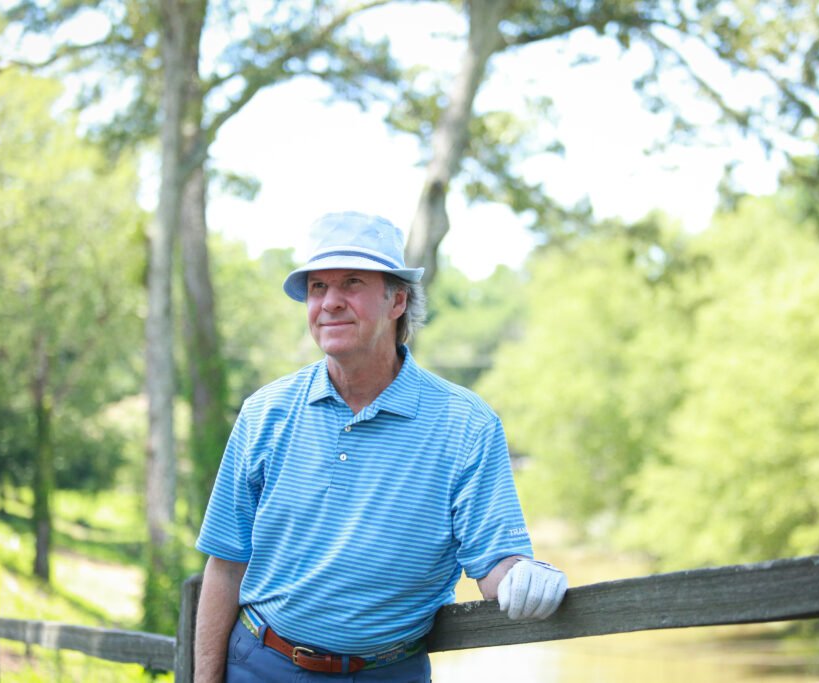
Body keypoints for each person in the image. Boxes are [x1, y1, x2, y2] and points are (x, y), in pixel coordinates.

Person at [193, 211, 568, 682]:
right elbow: (225, 565)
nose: (330, 302)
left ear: (397, 301)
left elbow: (493, 559)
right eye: (317, 288)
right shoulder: (264, 412)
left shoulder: (466, 424)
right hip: (262, 665)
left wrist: (523, 575)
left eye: (351, 283)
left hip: (388, 672)